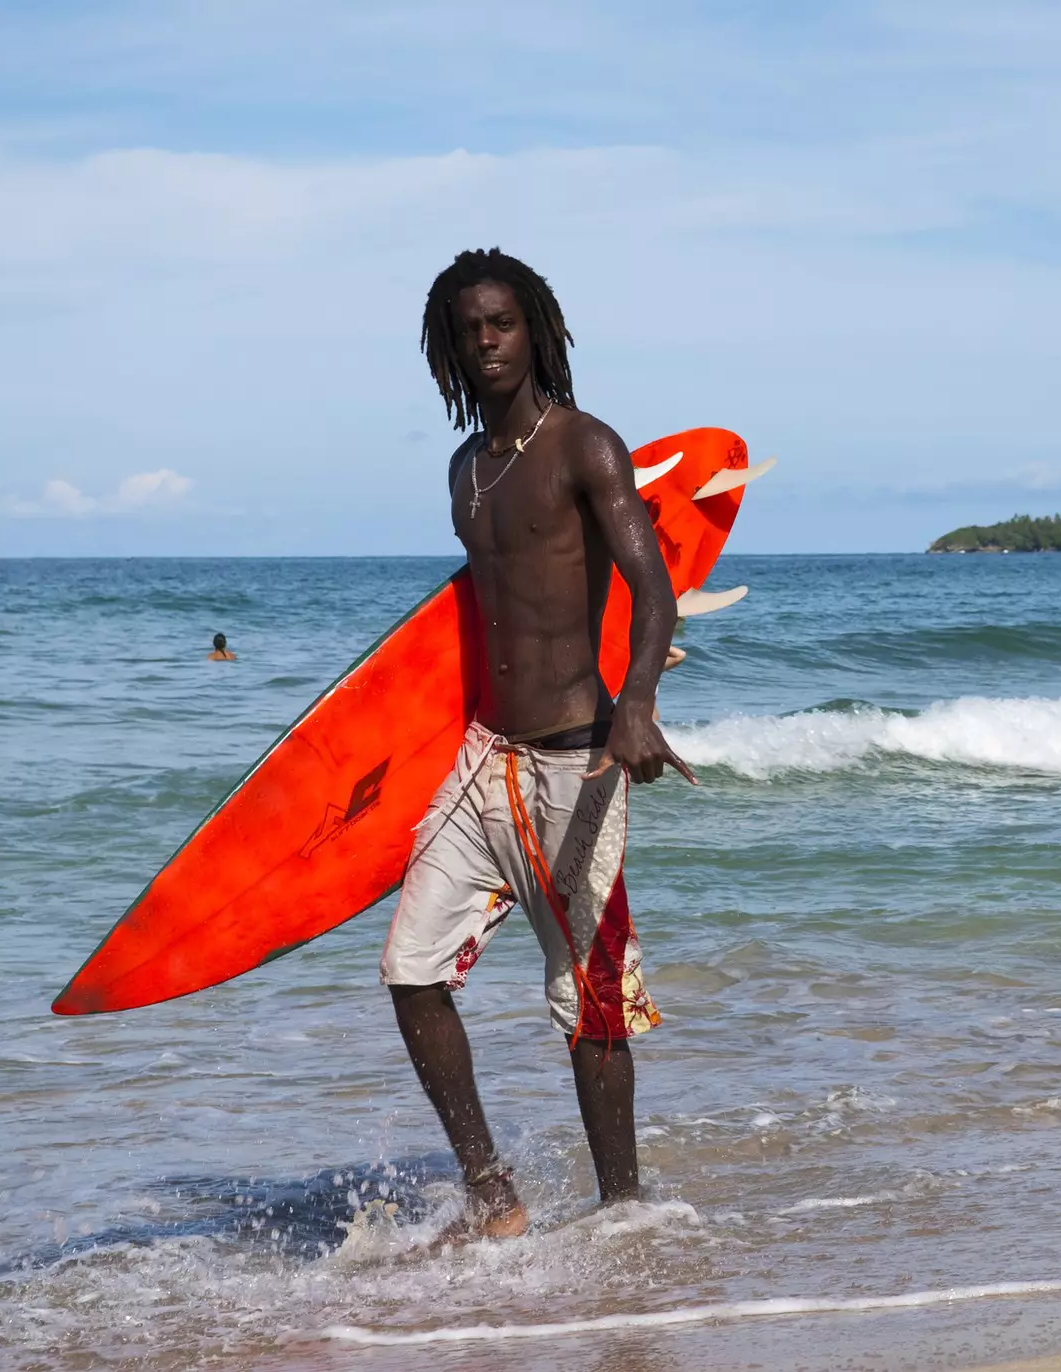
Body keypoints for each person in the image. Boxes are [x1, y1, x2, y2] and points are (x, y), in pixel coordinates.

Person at [382, 248, 693, 1244]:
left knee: (590, 1000)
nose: (487, 341)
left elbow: (652, 589)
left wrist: (636, 701)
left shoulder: (584, 447)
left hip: (576, 763)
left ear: (536, 331)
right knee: (410, 971)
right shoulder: (464, 470)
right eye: (469, 329)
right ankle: (492, 1193)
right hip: (482, 760)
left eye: (503, 323)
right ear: (450, 347)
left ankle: (622, 1213)